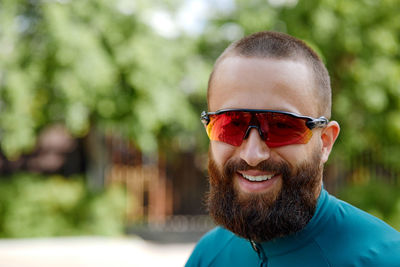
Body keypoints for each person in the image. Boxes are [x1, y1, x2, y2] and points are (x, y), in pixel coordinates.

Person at [186, 31, 400, 266]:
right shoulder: (208, 255)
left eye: (281, 126)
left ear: (325, 142)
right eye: (232, 124)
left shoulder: (384, 258)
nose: (253, 155)